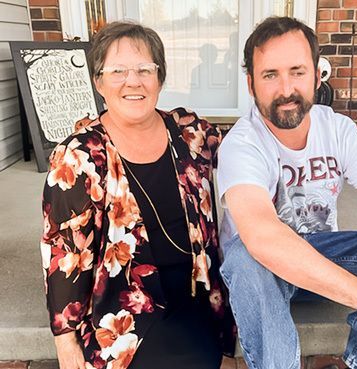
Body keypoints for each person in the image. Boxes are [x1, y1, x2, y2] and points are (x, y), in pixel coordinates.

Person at [40, 21, 234, 369]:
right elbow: (65, 253)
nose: (133, 81)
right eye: (117, 71)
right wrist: (65, 341)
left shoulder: (190, 133)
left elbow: (249, 149)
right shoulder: (80, 156)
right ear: (98, 82)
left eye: (145, 69)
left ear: (160, 78)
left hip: (197, 295)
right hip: (125, 310)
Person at [217, 16, 357, 369]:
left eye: (297, 72)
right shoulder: (242, 143)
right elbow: (262, 237)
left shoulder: (338, 129)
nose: (286, 88)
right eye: (270, 74)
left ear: (317, 76)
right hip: (261, 275)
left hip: (325, 261)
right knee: (244, 257)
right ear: (251, 83)